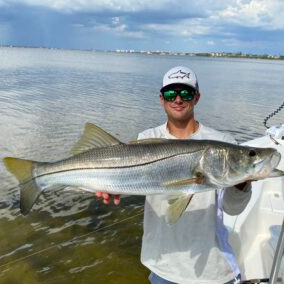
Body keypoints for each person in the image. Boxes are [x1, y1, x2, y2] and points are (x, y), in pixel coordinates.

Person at [96, 66, 252, 284]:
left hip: (212, 269)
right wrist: (115, 186)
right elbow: (133, 181)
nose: (178, 99)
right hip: (162, 265)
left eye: (185, 93)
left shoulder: (223, 143)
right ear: (161, 98)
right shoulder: (147, 137)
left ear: (196, 97)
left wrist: (242, 182)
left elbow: (233, 209)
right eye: (171, 93)